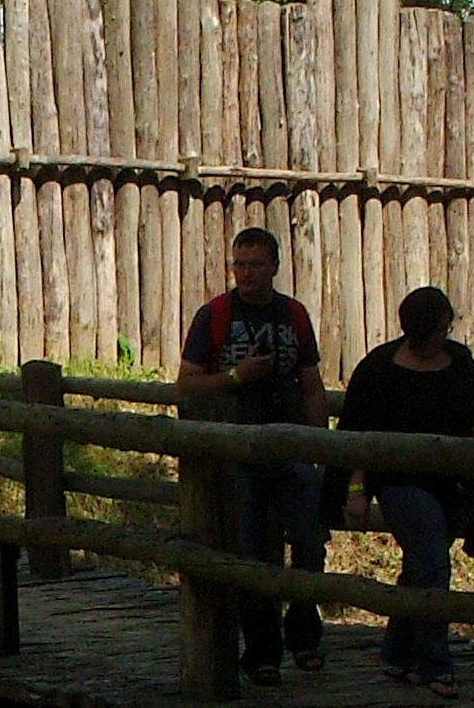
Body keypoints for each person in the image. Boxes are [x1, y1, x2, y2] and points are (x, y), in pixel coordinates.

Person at [175, 226, 330, 687]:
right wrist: (237, 378)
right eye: (239, 264)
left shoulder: (294, 315)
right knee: (249, 555)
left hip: (291, 447)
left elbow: (312, 384)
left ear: (275, 266)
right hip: (236, 452)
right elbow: (185, 385)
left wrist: (320, 444)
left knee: (308, 544)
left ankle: (304, 635)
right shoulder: (215, 316)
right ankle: (262, 653)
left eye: (255, 264)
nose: (246, 273)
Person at [338, 286, 474, 700]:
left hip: (452, 486)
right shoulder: (379, 368)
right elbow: (356, 434)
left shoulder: (462, 367)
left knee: (422, 565)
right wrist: (356, 488)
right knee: (434, 565)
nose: (442, 336)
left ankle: (397, 652)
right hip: (399, 482)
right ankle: (436, 663)